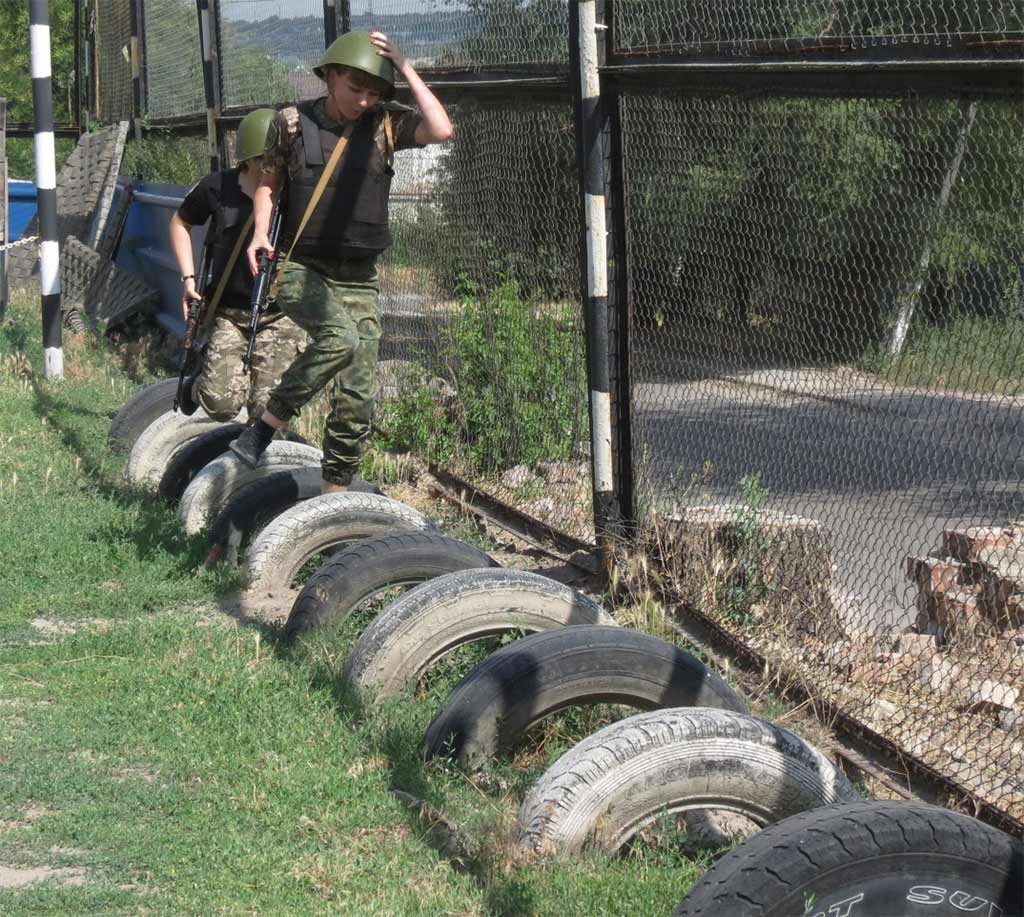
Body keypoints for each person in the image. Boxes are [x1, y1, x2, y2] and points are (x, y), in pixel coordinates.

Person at [229, 30, 453, 493]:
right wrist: (258, 234)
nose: (364, 100)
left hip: (359, 275)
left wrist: (406, 67)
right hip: (301, 265)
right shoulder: (291, 125)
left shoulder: (385, 125)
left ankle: (334, 496)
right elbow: (268, 184)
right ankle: (264, 428)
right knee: (339, 338)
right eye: (356, 88)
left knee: (358, 396)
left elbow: (442, 128)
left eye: (374, 92)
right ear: (329, 77)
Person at [169, 108, 307, 422]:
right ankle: (200, 385)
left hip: (280, 316)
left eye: (273, 159)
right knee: (220, 405)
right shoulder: (217, 187)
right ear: (245, 156)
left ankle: (256, 465)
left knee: (269, 412)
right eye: (261, 159)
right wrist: (188, 280)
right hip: (227, 313)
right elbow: (180, 223)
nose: (267, 167)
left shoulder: (294, 192)